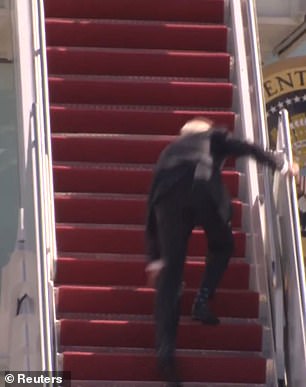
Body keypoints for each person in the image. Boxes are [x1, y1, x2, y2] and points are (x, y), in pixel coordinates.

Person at [145, 117, 299, 387]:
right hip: (202, 186)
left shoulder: (167, 152)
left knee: (170, 277)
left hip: (167, 197)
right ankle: (202, 299)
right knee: (223, 243)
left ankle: (165, 352)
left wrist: (154, 258)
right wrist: (282, 164)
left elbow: (151, 203)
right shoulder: (212, 137)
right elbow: (248, 147)